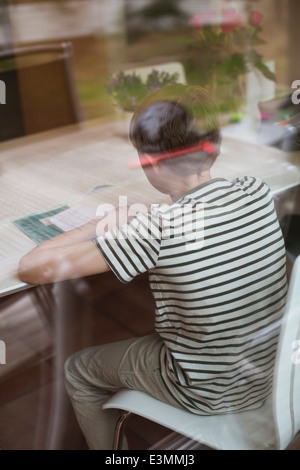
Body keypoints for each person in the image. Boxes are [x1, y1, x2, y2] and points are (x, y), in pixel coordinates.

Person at [18, 85, 287, 450]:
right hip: (273, 374)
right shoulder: (254, 190)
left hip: (208, 388)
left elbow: (33, 267)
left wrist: (103, 224)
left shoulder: (156, 230)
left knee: (78, 369)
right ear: (214, 148)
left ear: (150, 162)